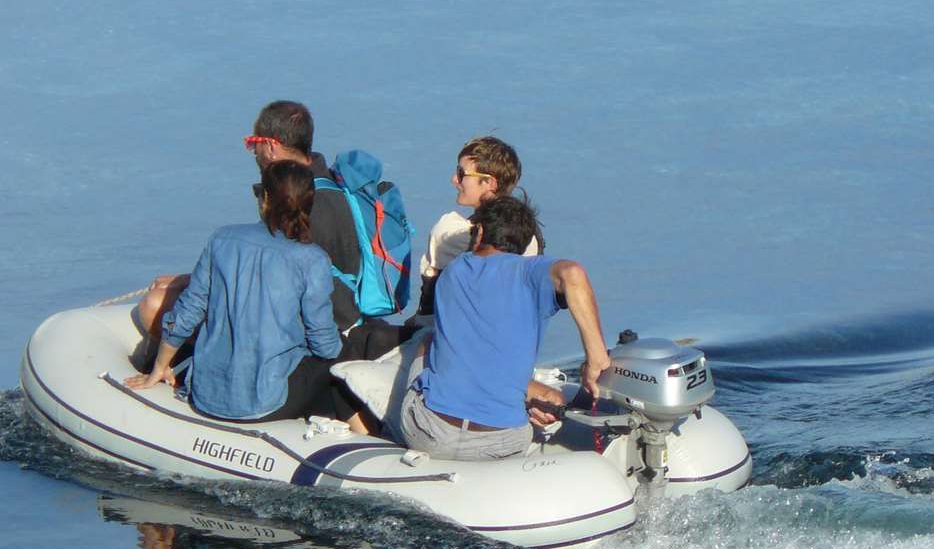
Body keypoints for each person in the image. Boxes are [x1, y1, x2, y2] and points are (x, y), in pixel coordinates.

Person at [134, 100, 404, 369]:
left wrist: (198, 283)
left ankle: (172, 370)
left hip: (317, 325)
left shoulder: (297, 203)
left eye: (254, 144)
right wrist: (191, 279)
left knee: (156, 303)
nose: (253, 152)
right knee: (172, 288)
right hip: (342, 309)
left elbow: (272, 279)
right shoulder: (328, 185)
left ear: (271, 146)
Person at [398, 195, 611, 462]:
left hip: (430, 434)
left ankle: (387, 440)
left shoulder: (452, 272)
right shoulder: (529, 272)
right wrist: (596, 358)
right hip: (501, 442)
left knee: (428, 339)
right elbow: (573, 273)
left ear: (481, 233)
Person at [126, 159, 342, 421]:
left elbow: (188, 311)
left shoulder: (222, 239)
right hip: (267, 400)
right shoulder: (313, 259)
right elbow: (325, 345)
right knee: (344, 356)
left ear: (265, 198)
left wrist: (159, 368)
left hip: (207, 394)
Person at [415, 135, 540, 321]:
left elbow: (429, 310)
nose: (454, 180)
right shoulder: (531, 237)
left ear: (489, 183)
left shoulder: (451, 231)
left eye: (461, 173)